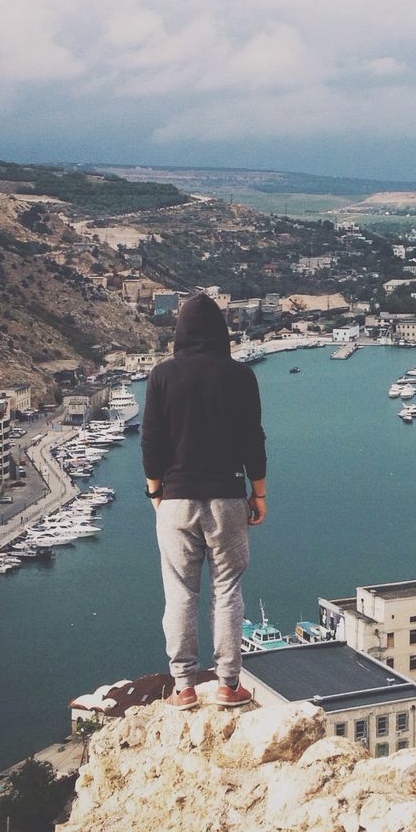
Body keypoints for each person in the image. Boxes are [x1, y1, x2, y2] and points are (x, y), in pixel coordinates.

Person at [142, 294, 267, 709]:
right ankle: (229, 684)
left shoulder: (161, 376)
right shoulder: (241, 376)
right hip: (228, 497)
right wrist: (259, 493)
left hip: (175, 500)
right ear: (222, 332)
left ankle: (184, 686)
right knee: (227, 589)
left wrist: (156, 491)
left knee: (179, 591)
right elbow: (254, 440)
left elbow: (151, 441)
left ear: (179, 333)